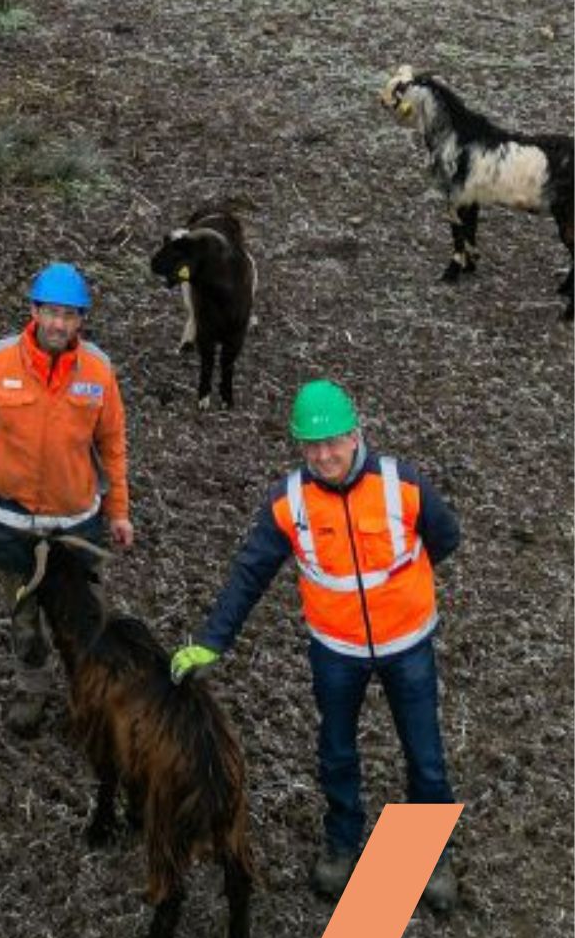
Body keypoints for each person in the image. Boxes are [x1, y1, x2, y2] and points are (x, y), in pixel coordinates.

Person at [171, 378, 461, 910]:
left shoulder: (403, 485)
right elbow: (250, 574)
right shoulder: (289, 502)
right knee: (336, 751)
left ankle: (430, 858)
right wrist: (212, 641)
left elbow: (446, 537)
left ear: (356, 436)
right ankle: (342, 844)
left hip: (408, 647)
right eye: (312, 445)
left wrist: (402, 597)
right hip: (335, 652)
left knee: (425, 756)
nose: (324, 455)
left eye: (333, 442)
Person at [0, 262, 133, 738]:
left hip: (75, 527)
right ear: (34, 311)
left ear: (81, 321)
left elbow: (112, 444)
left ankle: (88, 697)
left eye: (70, 315)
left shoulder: (98, 371)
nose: (59, 324)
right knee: (24, 615)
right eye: (51, 312)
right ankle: (31, 688)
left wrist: (118, 511)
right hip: (10, 525)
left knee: (84, 618)